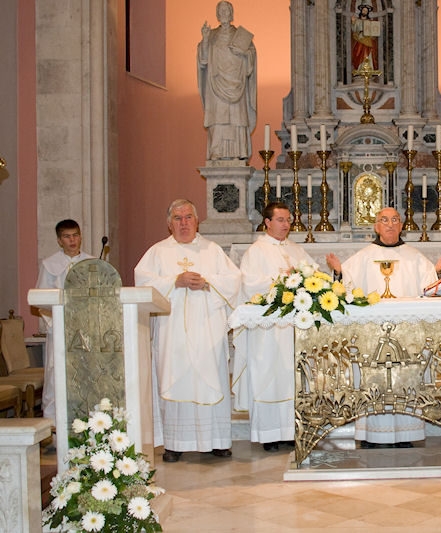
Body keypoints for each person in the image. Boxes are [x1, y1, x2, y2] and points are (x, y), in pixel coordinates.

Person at [326, 207, 441, 447]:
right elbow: (346, 286)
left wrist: (437, 271)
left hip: (406, 333)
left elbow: (430, 287)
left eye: (395, 220)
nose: (390, 224)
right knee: (374, 378)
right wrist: (340, 272)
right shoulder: (363, 256)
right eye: (384, 220)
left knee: (406, 377)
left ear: (401, 226)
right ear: (376, 226)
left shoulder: (414, 256)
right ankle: (373, 435)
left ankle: (406, 434)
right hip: (373, 333)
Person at [134, 199, 241, 462]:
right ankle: (174, 443)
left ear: (197, 220)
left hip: (207, 331)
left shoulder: (212, 250)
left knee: (210, 377)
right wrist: (175, 281)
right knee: (175, 377)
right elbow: (142, 282)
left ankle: (216, 441)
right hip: (172, 333)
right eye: (178, 218)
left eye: (188, 217)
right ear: (169, 223)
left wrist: (207, 282)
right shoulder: (158, 252)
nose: (184, 223)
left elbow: (234, 281)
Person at [234, 201, 318, 451]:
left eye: (288, 219)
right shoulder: (256, 251)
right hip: (267, 330)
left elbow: (313, 277)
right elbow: (249, 284)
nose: (286, 224)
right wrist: (282, 279)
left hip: (293, 327)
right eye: (280, 220)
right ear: (267, 222)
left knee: (292, 377)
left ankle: (291, 431)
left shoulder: (296, 249)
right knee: (268, 377)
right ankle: (268, 435)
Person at [36, 219, 94, 421]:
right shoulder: (49, 264)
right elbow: (41, 299)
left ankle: (87, 423)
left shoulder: (92, 262)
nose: (72, 240)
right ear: (59, 240)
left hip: (85, 330)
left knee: (85, 374)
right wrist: (55, 324)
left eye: (76, 235)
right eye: (67, 237)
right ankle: (54, 425)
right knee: (56, 375)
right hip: (60, 328)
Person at [197, 1, 257, 161]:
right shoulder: (211, 36)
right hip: (215, 84)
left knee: (236, 119)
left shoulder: (240, 36)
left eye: (226, 10)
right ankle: (216, 152)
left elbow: (251, 58)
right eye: (221, 11)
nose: (224, 13)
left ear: (231, 14)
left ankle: (238, 152)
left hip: (238, 85)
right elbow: (203, 60)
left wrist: (244, 53)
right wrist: (204, 40)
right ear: (217, 14)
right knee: (218, 118)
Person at [351, 3, 378, 70]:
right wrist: (353, 22)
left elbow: (374, 32)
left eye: (366, 11)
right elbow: (354, 30)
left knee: (368, 52)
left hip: (368, 39)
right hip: (360, 39)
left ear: (367, 13)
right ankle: (360, 68)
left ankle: (369, 68)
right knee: (359, 52)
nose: (365, 12)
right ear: (361, 11)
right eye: (364, 10)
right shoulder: (357, 21)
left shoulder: (370, 22)